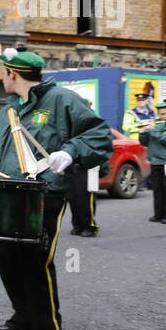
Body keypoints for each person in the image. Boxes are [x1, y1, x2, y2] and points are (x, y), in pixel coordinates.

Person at [0, 49, 111, 330]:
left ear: (12, 74)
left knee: (35, 260)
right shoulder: (9, 110)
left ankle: (48, 327)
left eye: (3, 73)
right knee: (7, 259)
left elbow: (98, 133)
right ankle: (23, 317)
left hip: (45, 193)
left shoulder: (61, 99)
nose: (2, 78)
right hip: (8, 191)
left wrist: (70, 151)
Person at [65, 96, 101, 239]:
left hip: (88, 166)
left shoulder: (94, 125)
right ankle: (77, 225)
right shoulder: (73, 124)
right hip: (73, 166)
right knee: (73, 198)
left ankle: (89, 226)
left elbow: (98, 146)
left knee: (86, 198)